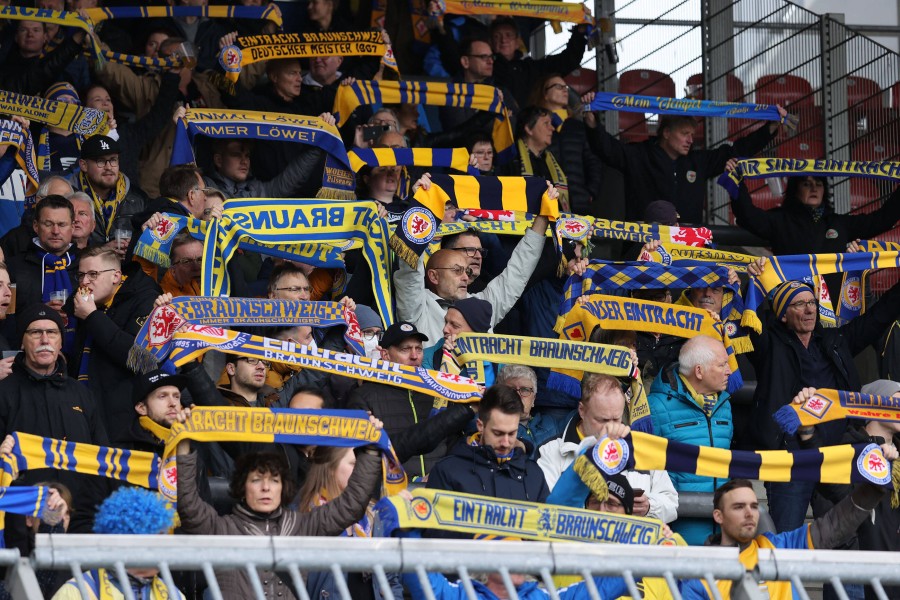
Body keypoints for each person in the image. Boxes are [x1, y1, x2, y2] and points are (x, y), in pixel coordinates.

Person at [175, 409, 385, 600]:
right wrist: (183, 449)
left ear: (282, 488)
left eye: (274, 481)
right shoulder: (222, 528)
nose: (266, 488)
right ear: (242, 487)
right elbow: (190, 509)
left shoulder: (302, 526)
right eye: (256, 480)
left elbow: (352, 504)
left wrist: (371, 451)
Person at [747, 272, 900, 532]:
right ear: (783, 314)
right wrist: (756, 282)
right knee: (789, 537)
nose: (808, 310)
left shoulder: (835, 341)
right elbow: (749, 324)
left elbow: (878, 316)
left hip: (838, 456)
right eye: (799, 304)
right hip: (792, 459)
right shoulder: (769, 346)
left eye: (812, 303)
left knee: (844, 535)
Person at [394, 174, 552, 345]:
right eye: (457, 270)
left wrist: (544, 216)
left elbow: (518, 272)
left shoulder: (481, 306)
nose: (465, 277)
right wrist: (419, 208)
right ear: (433, 276)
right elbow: (410, 270)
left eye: (466, 271)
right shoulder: (418, 308)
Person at [582, 92, 787, 223]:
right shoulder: (639, 155)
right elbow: (606, 148)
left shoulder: (698, 161)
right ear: (666, 133)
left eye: (692, 134)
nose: (690, 139)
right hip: (645, 247)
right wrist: (591, 118)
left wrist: (770, 128)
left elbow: (736, 150)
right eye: (684, 134)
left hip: (687, 248)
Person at [679, 476, 894, 600]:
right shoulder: (698, 578)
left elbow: (834, 526)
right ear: (718, 516)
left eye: (754, 506)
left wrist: (874, 487)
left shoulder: (777, 546)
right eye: (738, 507)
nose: (749, 513)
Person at [0, 304, 109, 534]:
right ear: (22, 341)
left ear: (60, 341)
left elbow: (101, 454)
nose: (44, 339)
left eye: (52, 332)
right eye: (35, 332)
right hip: (22, 520)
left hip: (81, 518)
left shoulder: (81, 393)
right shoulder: (4, 392)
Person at [727, 163, 900, 296]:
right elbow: (747, 215)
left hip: (832, 309)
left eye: (818, 184)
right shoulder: (780, 220)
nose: (814, 188)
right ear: (795, 190)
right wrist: (737, 181)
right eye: (806, 184)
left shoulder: (838, 223)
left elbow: (881, 220)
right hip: (792, 306)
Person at [537, 372, 678, 523]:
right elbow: (546, 511)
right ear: (582, 411)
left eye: (616, 419)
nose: (610, 426)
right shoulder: (550, 450)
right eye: (602, 420)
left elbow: (672, 503)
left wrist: (649, 507)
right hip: (577, 544)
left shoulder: (642, 448)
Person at [93, 36, 224, 197]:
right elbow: (110, 69)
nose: (180, 58)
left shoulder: (205, 85)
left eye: (183, 53)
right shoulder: (147, 87)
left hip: (204, 177)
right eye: (174, 55)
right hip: (158, 181)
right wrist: (91, 36)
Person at [348, 321, 469, 479]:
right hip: (392, 492)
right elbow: (362, 456)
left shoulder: (437, 393)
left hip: (438, 487)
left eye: (418, 349)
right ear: (385, 355)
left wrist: (441, 474)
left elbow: (453, 442)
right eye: (405, 349)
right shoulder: (364, 396)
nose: (414, 356)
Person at [647, 335, 733, 544]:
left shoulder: (725, 404)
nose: (729, 371)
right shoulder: (655, 407)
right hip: (678, 529)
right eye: (722, 365)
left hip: (723, 527)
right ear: (699, 371)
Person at [69, 246, 161, 437]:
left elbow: (142, 360)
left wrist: (93, 317)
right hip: (85, 411)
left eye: (93, 274)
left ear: (116, 276)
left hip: (125, 424)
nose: (85, 282)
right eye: (81, 275)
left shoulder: (145, 300)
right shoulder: (83, 304)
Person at [298, 446, 402, 600]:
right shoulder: (305, 515)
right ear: (330, 468)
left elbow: (391, 579)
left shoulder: (375, 513)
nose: (362, 471)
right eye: (354, 464)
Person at [51, 487, 185, 599]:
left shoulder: (173, 595)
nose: (164, 547)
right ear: (126, 542)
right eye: (155, 538)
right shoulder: (76, 592)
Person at [427, 384, 549, 503]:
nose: (506, 443)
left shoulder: (534, 474)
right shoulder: (447, 471)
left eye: (512, 433)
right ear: (480, 426)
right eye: (498, 433)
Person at [529, 74, 602, 215]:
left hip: (580, 204)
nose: (565, 90)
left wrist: (591, 192)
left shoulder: (577, 125)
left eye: (566, 87)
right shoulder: (533, 125)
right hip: (548, 202)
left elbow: (592, 161)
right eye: (558, 86)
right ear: (544, 94)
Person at [70, 135, 147, 246]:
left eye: (113, 160)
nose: (109, 167)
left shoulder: (138, 198)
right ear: (84, 165)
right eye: (100, 161)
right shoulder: (69, 198)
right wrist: (104, 251)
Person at [7, 195, 78, 312]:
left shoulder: (87, 265)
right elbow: (7, 317)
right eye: (48, 224)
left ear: (73, 227)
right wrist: (40, 314)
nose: (55, 231)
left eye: (62, 225)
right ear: (36, 226)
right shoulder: (13, 268)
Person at [203, 138, 325, 200]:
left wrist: (320, 138)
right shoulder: (203, 187)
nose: (244, 161)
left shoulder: (256, 189)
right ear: (218, 160)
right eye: (236, 155)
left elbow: (289, 181)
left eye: (247, 156)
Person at [501, 106, 570, 212]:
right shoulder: (511, 158)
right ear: (529, 129)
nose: (552, 128)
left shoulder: (554, 160)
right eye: (546, 123)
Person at [497, 364, 565, 459]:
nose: (517, 395)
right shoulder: (491, 425)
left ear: (534, 399)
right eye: (510, 390)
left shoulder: (550, 423)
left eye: (525, 390)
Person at [121, 369, 188, 452]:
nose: (173, 403)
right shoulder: (126, 449)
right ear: (142, 408)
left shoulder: (193, 437)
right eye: (162, 396)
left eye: (176, 396)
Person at [160, 231, 202, 296]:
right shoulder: (162, 295)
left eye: (200, 259)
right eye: (186, 261)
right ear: (172, 270)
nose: (197, 268)